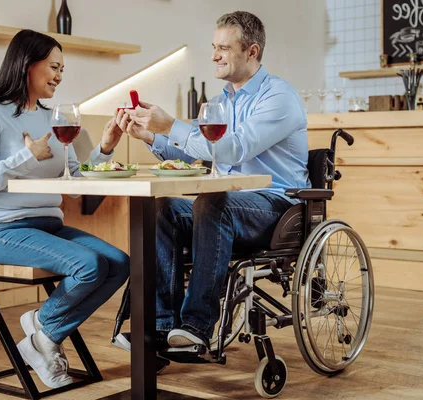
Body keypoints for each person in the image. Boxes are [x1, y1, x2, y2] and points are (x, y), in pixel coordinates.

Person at [122, 11, 309, 349]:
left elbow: (235, 149)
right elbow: (198, 150)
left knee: (212, 201)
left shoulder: (279, 97)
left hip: (276, 205)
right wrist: (151, 136)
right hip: (226, 203)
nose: (214, 56)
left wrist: (170, 126)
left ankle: (197, 326)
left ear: (251, 51)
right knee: (161, 207)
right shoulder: (220, 102)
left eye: (223, 47)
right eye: (214, 46)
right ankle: (163, 327)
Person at [0, 29, 129, 388]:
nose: (59, 76)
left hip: (47, 225)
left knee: (119, 264)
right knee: (89, 265)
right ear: (28, 64)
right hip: (0, 230)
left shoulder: (55, 117)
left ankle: (42, 331)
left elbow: (76, 181)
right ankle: (45, 336)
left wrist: (104, 148)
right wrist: (26, 156)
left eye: (62, 70)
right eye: (54, 66)